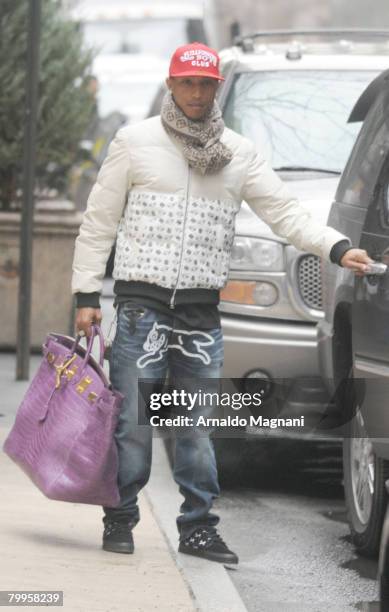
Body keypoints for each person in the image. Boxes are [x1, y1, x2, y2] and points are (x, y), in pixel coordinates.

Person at [71, 42, 372, 566]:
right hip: (142, 308)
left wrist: (339, 248)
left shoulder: (237, 153)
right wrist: (86, 294)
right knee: (133, 425)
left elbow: (284, 213)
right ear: (171, 84)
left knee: (195, 424)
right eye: (186, 82)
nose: (195, 92)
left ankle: (198, 527)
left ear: (216, 90)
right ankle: (119, 517)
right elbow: (99, 222)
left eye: (205, 84)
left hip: (199, 314)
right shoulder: (134, 142)